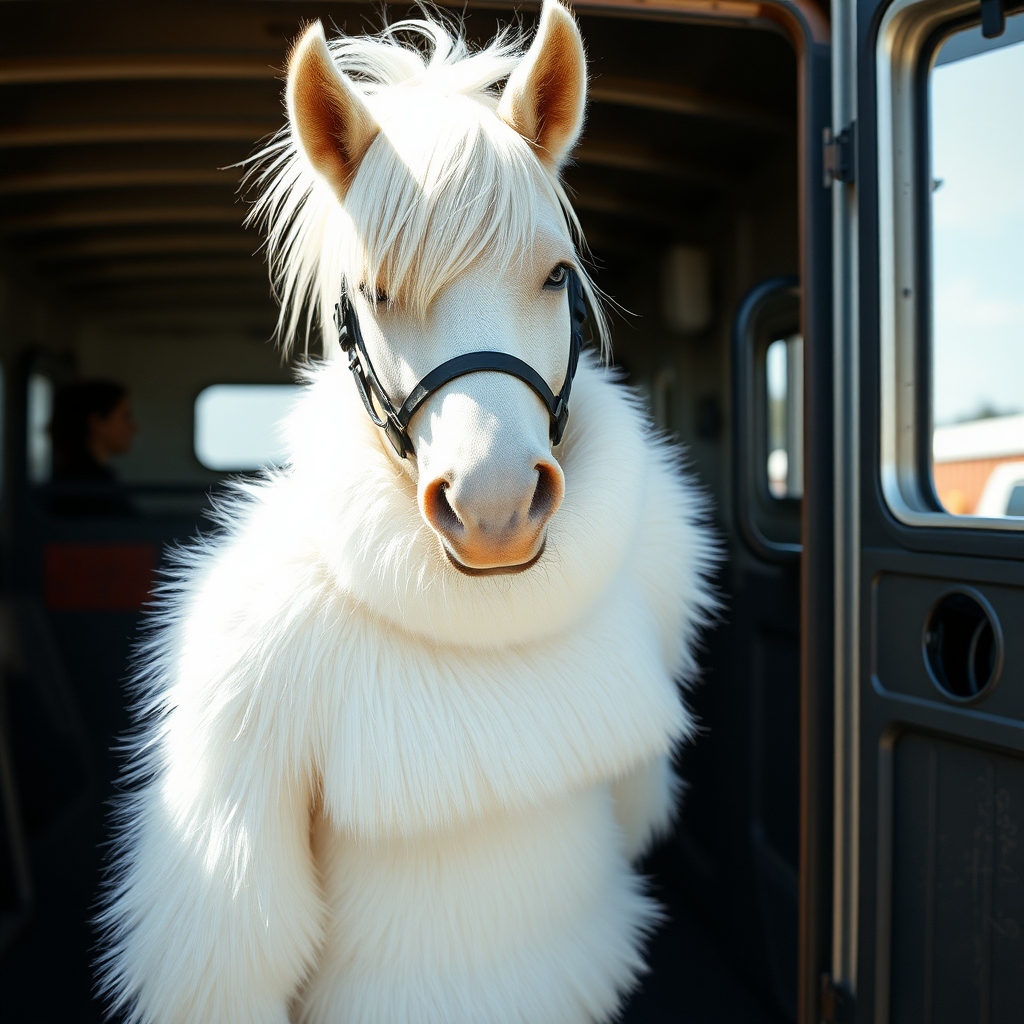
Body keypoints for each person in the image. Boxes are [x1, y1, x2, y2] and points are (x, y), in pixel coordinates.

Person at [49, 379, 138, 516]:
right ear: (96, 422)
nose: (133, 428)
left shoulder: (83, 478)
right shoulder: (88, 487)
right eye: (125, 416)